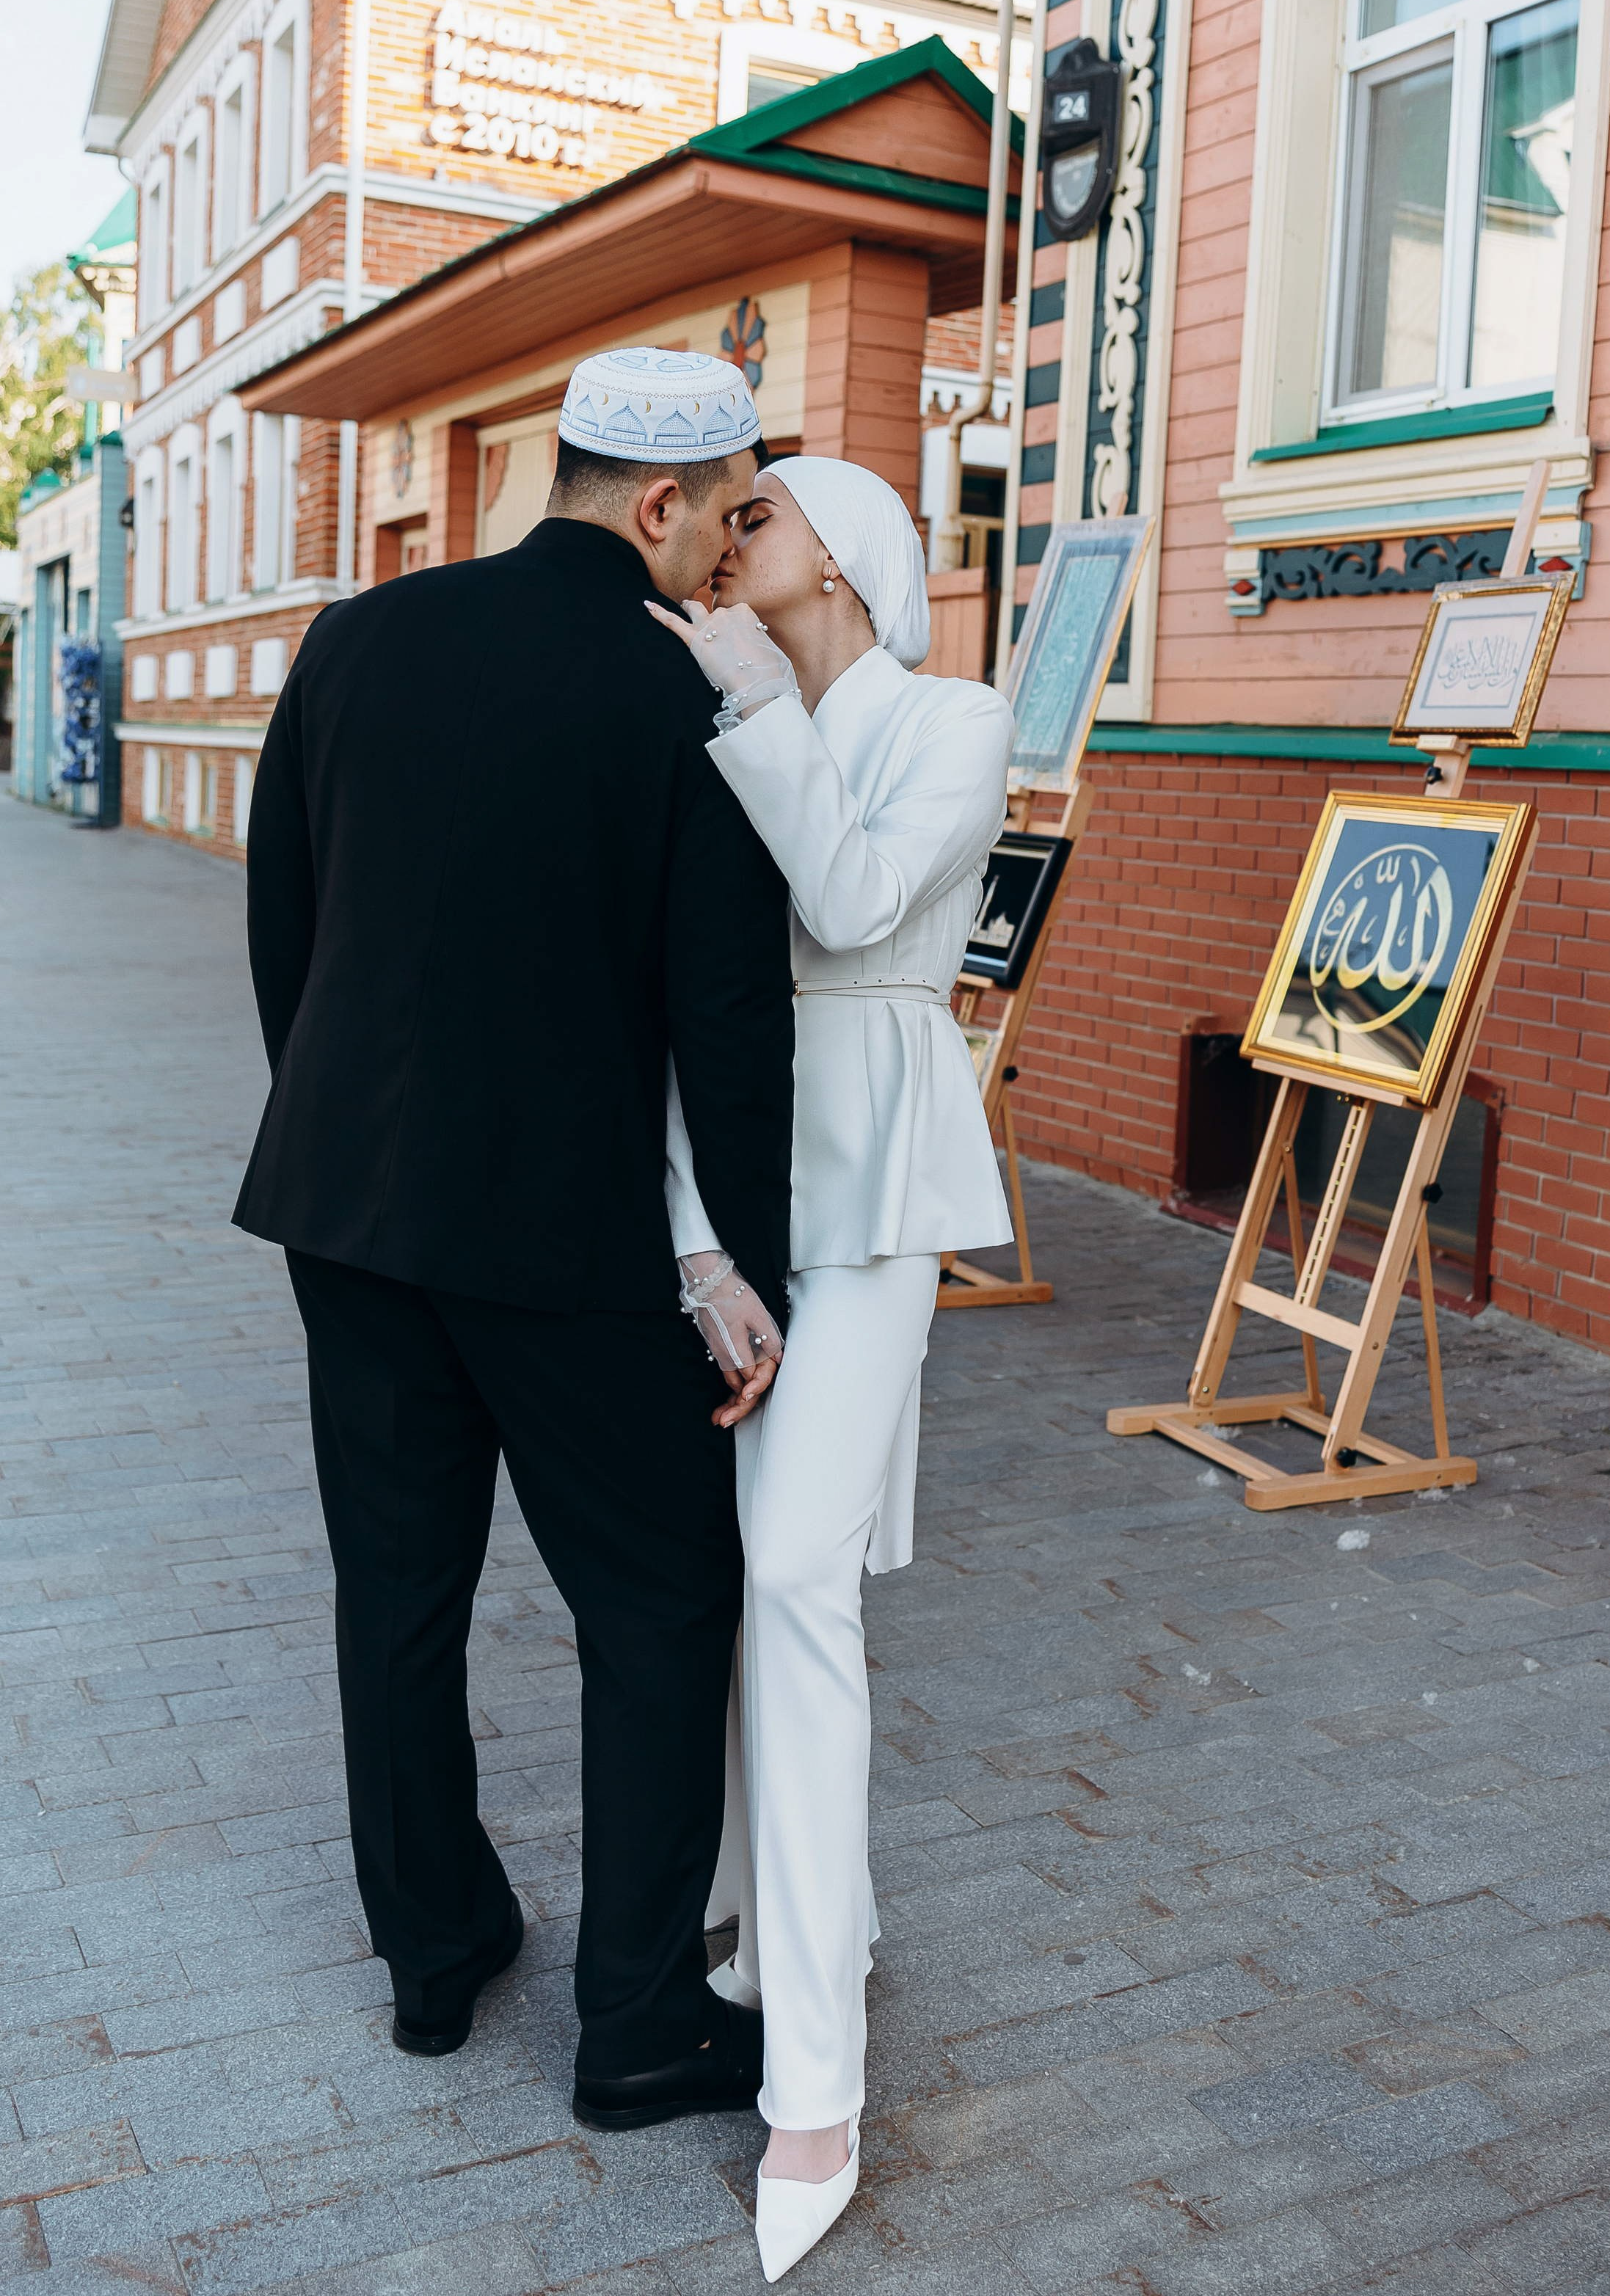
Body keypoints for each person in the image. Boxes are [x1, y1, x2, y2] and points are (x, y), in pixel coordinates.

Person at [234, 348, 796, 2129]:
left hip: (349, 1205)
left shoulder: (356, 638)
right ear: (654, 502)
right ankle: (634, 2025)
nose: (730, 550)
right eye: (724, 515)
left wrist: (353, 1142)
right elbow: (728, 1016)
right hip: (560, 1242)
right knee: (658, 1597)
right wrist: (749, 1265)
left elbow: (288, 927)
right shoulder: (678, 695)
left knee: (400, 1591)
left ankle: (435, 1954)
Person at [649, 455, 1015, 2278]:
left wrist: (759, 712)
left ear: (853, 553)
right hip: (734, 1184)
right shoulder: (728, 711)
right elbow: (666, 980)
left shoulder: (954, 716)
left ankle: (820, 2074)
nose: (735, 530)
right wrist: (691, 1237)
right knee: (743, 1574)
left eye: (767, 511)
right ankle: (787, 1911)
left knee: (799, 1575)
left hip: (875, 1181)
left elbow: (863, 906)